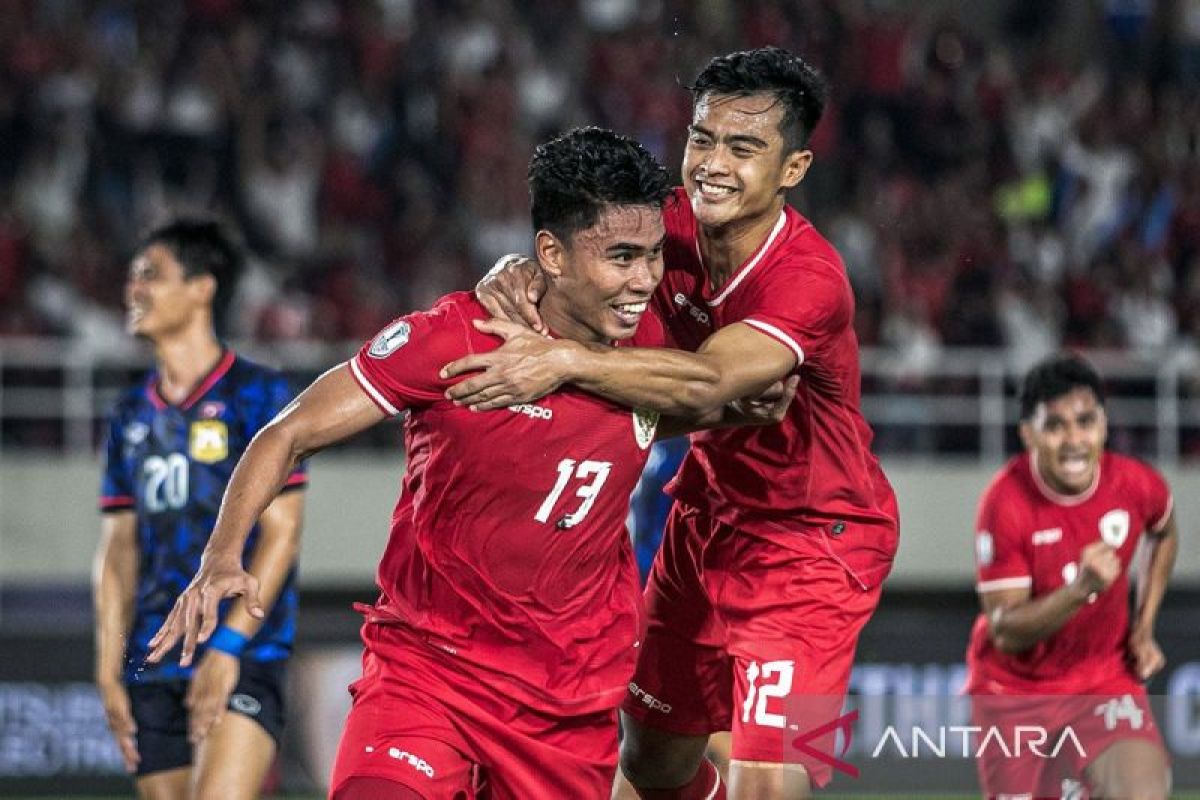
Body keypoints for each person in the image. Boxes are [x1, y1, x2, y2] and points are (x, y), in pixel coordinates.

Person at [145, 127, 777, 799]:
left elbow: (761, 392)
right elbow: (286, 433)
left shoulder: (655, 350)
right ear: (551, 255)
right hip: (428, 674)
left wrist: (595, 367)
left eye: (652, 255)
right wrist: (220, 556)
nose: (644, 279)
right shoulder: (452, 338)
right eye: (622, 257)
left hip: (566, 703)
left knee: (729, 767)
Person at [449, 47, 899, 799]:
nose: (713, 164)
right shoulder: (665, 229)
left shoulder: (809, 281)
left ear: (793, 169)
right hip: (706, 521)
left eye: (744, 147)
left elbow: (708, 379)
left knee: (768, 781)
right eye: (702, 139)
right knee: (651, 766)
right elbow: (573, 260)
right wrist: (517, 268)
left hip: (815, 540)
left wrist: (564, 363)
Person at [94, 218, 307, 800]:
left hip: (243, 652)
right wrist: (107, 664)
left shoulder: (260, 395)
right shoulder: (128, 416)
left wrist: (228, 648)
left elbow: (281, 534)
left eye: (151, 275)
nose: (133, 289)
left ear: (202, 287)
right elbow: (118, 550)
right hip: (152, 660)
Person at [966, 353, 1175, 799]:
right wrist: (1081, 590)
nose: (1074, 439)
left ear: (1104, 424)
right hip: (1015, 692)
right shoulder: (1005, 503)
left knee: (1142, 792)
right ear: (1028, 434)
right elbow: (1006, 631)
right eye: (1055, 425)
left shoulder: (1136, 484)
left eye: (1086, 421)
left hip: (1102, 679)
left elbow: (1165, 530)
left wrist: (1143, 627)